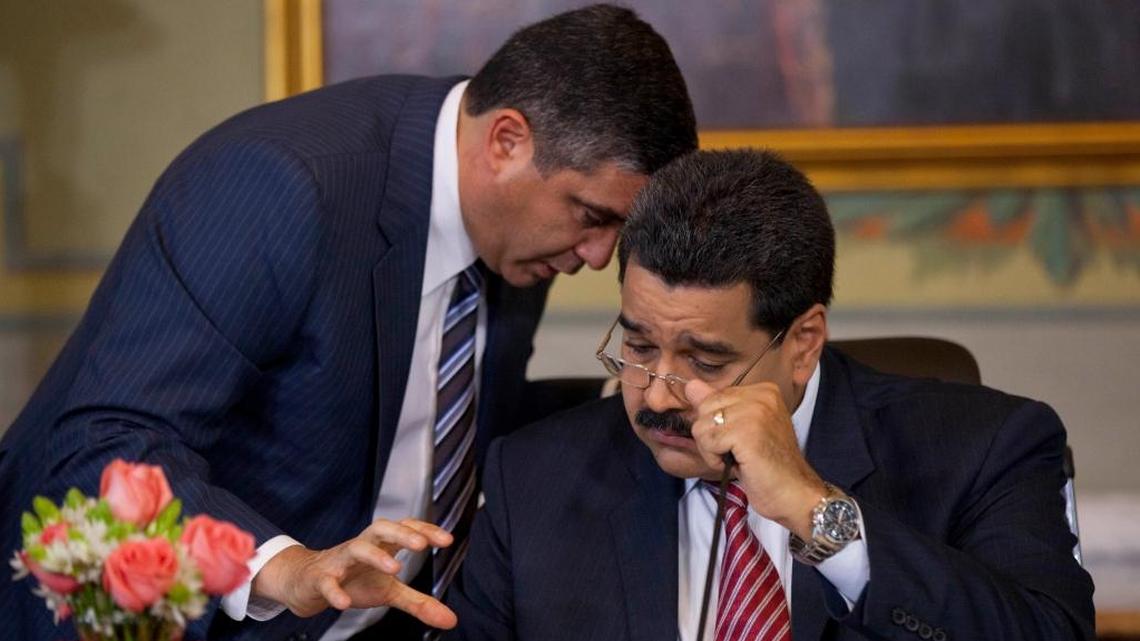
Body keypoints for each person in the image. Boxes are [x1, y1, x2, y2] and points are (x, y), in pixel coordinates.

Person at [0, 5, 697, 640]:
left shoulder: (519, 233)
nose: (597, 256)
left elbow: (428, 415)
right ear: (506, 141)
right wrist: (284, 567)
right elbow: (105, 442)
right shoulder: (281, 186)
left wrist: (642, 394)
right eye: (592, 215)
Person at [446, 149, 1095, 641]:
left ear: (804, 341)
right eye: (639, 346)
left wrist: (818, 512)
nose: (659, 396)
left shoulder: (986, 447)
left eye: (705, 360)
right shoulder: (532, 478)